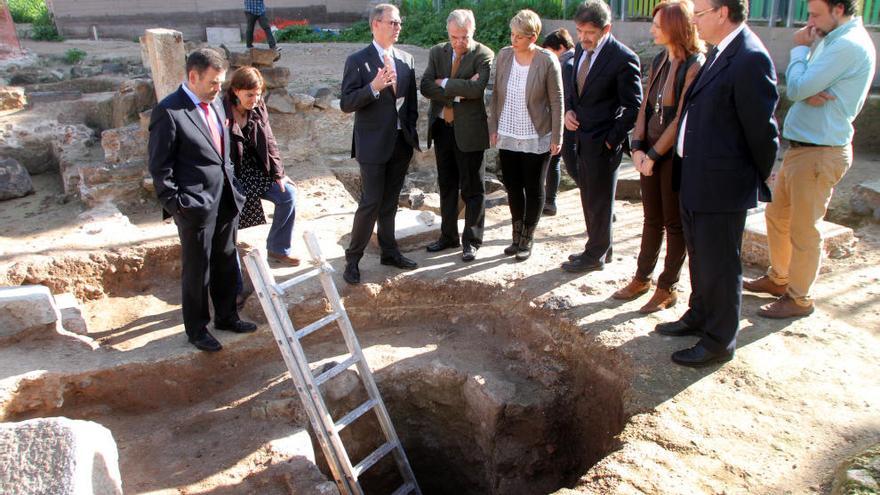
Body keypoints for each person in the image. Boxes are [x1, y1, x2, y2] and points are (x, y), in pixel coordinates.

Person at [656, 0, 780, 367]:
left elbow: (762, 132)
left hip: (723, 185)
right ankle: (699, 314)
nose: (695, 21)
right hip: (697, 177)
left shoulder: (750, 58)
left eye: (700, 13)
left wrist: (750, 179)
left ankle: (718, 340)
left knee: (721, 265)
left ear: (723, 13)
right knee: (701, 257)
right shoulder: (720, 52)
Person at [743, 0, 875, 318]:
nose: (809, 23)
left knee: (804, 228)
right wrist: (807, 86)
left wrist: (800, 52)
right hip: (802, 149)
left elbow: (799, 86)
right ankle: (780, 278)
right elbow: (804, 89)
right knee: (777, 215)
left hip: (820, 151)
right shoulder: (831, 39)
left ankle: (799, 298)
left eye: (815, 14)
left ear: (839, 9)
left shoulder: (846, 44)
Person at [148, 48, 257, 352]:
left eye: (220, 84)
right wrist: (177, 205)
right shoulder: (169, 111)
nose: (217, 89)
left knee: (225, 261)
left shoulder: (218, 105)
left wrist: (233, 185)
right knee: (198, 270)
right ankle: (197, 329)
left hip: (225, 198)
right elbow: (160, 166)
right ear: (193, 76)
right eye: (212, 83)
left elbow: (223, 152)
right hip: (193, 205)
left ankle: (226, 316)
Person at [613, 0, 705, 313]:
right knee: (651, 218)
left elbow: (681, 117)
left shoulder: (695, 64)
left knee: (673, 222)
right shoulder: (659, 61)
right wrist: (637, 146)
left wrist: (653, 154)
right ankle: (642, 277)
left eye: (658, 24)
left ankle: (667, 287)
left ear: (675, 27)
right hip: (648, 151)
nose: (652, 29)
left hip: (673, 156)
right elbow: (645, 107)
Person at [340, 3, 420, 284]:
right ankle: (353, 259)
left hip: (400, 142)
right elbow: (346, 103)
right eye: (392, 23)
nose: (397, 27)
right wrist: (373, 87)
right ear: (376, 24)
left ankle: (389, 251)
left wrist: (410, 133)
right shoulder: (358, 60)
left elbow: (410, 103)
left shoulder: (407, 59)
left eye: (399, 23)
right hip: (373, 144)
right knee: (370, 202)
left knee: (390, 203)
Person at [561, 0, 642, 274]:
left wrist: (612, 138)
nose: (583, 37)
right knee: (589, 197)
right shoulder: (581, 50)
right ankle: (598, 248)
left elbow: (634, 106)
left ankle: (595, 255)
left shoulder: (623, 58)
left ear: (606, 28)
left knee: (601, 201)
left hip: (604, 142)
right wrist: (569, 110)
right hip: (581, 138)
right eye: (579, 31)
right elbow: (574, 89)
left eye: (589, 32)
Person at [488, 9, 564, 261]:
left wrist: (557, 136)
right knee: (512, 186)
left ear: (532, 37)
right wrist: (494, 127)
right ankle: (516, 234)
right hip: (508, 131)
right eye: (512, 34)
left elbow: (557, 99)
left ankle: (528, 238)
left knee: (533, 186)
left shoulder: (546, 60)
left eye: (519, 36)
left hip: (536, 133)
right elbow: (496, 94)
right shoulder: (504, 56)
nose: (513, 40)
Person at [420, 9, 494, 262]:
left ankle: (471, 241)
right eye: (454, 37)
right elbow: (425, 86)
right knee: (447, 185)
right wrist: (457, 90)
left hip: (470, 132)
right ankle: (447, 236)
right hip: (442, 129)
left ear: (473, 31)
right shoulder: (436, 52)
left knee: (473, 188)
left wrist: (444, 83)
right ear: (448, 33)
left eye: (464, 36)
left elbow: (477, 89)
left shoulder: (484, 54)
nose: (459, 42)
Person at [223, 67, 299, 269]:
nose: (254, 99)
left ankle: (278, 250)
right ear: (236, 91)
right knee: (228, 215)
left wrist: (279, 173)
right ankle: (230, 265)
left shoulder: (258, 106)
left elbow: (269, 138)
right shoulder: (220, 110)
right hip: (231, 174)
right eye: (250, 95)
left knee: (288, 194)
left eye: (258, 94)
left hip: (256, 169)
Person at [540, 28, 578, 217]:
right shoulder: (575, 61)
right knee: (555, 160)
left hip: (567, 122)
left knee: (570, 165)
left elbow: (566, 96)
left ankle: (598, 201)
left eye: (549, 51)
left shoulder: (567, 65)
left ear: (560, 48)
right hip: (563, 120)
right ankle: (549, 202)